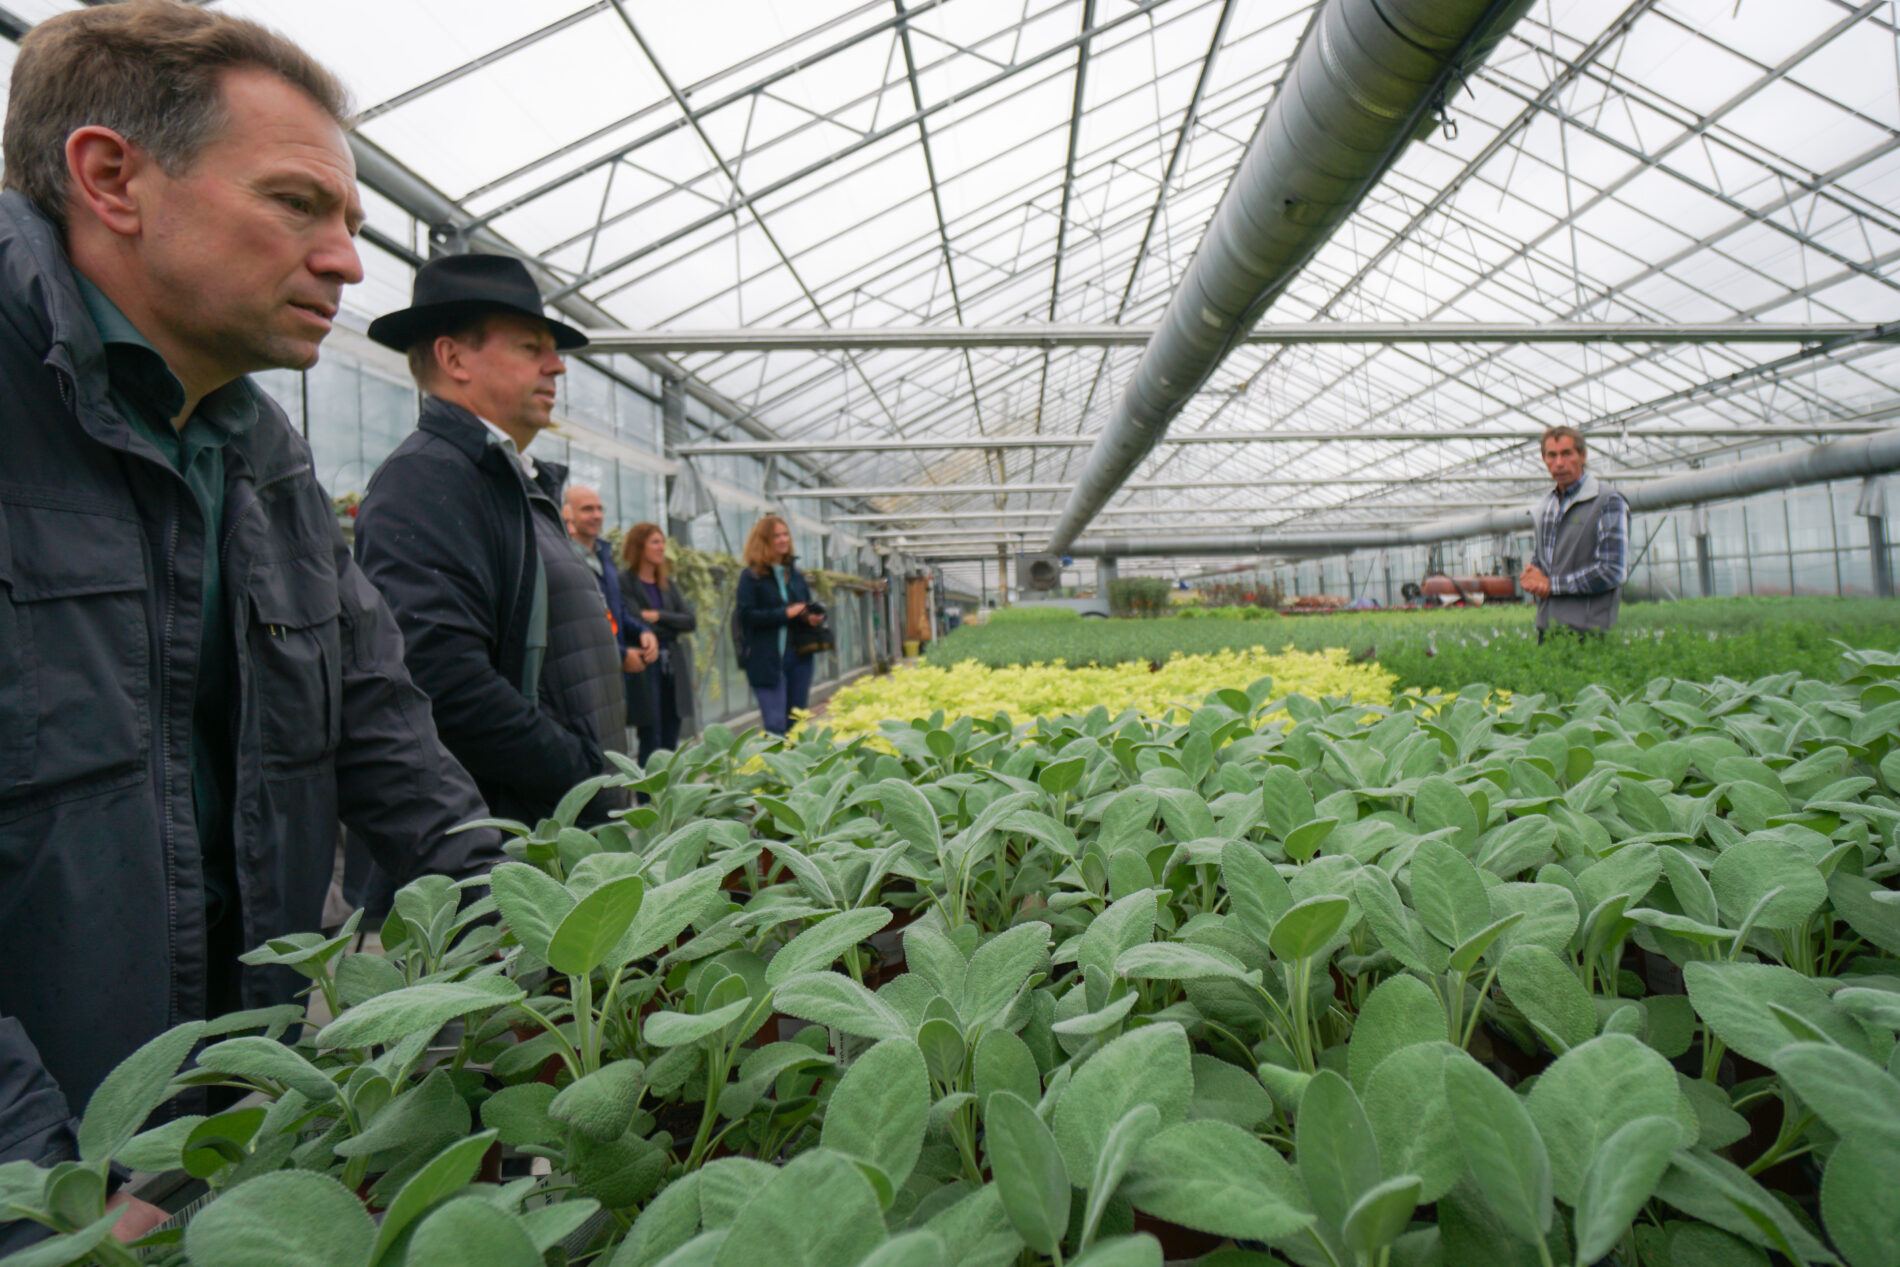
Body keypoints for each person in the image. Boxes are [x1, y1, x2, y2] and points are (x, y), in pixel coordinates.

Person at [0, 3, 503, 1248]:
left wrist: (544, 963)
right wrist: (44, 1189)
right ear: (110, 177)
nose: (347, 264)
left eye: (352, 223)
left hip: (226, 1140)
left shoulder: (258, 451)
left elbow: (390, 742)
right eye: (297, 204)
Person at [355, 254, 634, 826]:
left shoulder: (506, 481)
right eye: (531, 347)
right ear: (453, 358)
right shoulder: (427, 481)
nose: (557, 366)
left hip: (554, 823)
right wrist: (586, 777)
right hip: (501, 841)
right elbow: (445, 684)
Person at [1520, 425, 1630, 640]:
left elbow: (1612, 570)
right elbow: (1544, 562)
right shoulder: (1546, 507)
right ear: (1544, 459)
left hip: (1589, 631)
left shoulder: (1606, 501)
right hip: (1548, 628)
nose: (1559, 463)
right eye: (1552, 455)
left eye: (1567, 453)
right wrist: (1532, 575)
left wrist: (1552, 585)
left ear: (1582, 455)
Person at [564, 484, 659, 693]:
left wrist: (643, 631)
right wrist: (621, 655)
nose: (597, 515)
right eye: (587, 509)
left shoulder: (604, 557)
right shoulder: (564, 559)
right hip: (583, 676)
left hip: (611, 674)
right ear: (567, 514)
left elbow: (617, 610)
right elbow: (577, 624)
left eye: (600, 509)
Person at [735, 515, 823, 735]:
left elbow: (804, 605)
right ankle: (777, 757)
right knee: (775, 725)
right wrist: (784, 614)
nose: (783, 540)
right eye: (776, 536)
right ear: (764, 541)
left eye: (785, 534)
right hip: (766, 660)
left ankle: (796, 758)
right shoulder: (751, 577)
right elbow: (746, 616)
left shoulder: (795, 575)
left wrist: (811, 617)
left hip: (799, 656)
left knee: (796, 722)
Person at [619, 523, 699, 761]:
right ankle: (648, 785)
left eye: (662, 542)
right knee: (651, 736)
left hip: (672, 667)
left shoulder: (667, 584)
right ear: (639, 546)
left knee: (671, 734)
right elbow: (633, 620)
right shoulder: (625, 582)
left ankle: (669, 784)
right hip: (646, 665)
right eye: (655, 542)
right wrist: (669, 623)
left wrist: (658, 615)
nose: (661, 547)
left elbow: (690, 621)